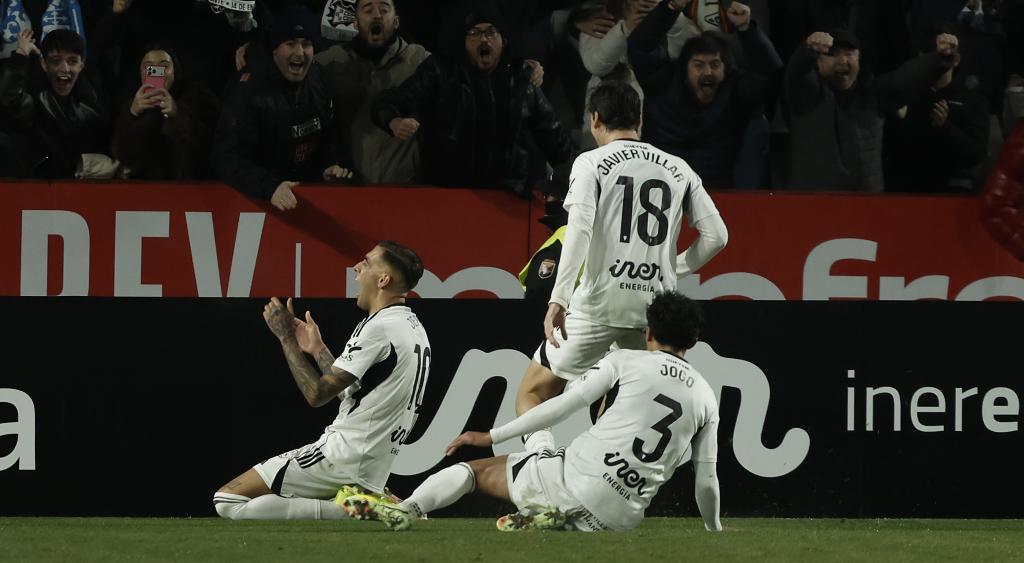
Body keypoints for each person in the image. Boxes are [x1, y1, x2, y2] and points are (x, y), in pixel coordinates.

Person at [339, 291, 722, 533]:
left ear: (649, 333)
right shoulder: (706, 397)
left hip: (574, 480)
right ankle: (553, 519)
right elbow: (706, 481)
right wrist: (715, 529)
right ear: (695, 341)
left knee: (471, 473)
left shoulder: (626, 360)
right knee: (546, 459)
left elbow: (563, 404)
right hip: (622, 518)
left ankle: (407, 510)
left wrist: (492, 436)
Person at [513, 80, 727, 455]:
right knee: (627, 408)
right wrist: (673, 267)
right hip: (652, 313)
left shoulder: (591, 162)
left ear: (595, 119)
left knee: (534, 393)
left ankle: (541, 469)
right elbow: (717, 237)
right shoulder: (679, 169)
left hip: (598, 304)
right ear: (640, 120)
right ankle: (609, 483)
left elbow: (578, 228)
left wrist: (558, 299)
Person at [213, 241, 431, 520]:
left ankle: (366, 511)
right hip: (371, 459)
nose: (357, 267)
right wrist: (318, 350)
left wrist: (285, 338)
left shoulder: (379, 327)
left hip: (343, 453)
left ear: (383, 279)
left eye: (366, 262)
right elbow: (355, 391)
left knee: (229, 499)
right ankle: (370, 502)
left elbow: (316, 394)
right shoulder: (411, 326)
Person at [371, 5, 572, 196]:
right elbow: (386, 103)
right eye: (474, 33)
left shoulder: (521, 78)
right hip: (449, 195)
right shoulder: (440, 73)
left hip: (508, 198)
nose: (484, 39)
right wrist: (393, 121)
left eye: (491, 32)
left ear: (503, 41)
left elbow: (556, 141)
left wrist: (576, 183)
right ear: (463, 41)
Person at [628, 0, 783, 189]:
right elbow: (640, 47)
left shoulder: (735, 92)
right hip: (660, 192)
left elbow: (770, 72)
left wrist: (747, 29)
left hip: (715, 196)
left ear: (726, 70)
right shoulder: (663, 84)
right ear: (685, 69)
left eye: (715, 65)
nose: (707, 72)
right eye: (699, 65)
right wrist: (669, 9)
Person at [212, 5, 353, 211]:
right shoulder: (247, 89)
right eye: (290, 44)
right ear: (275, 49)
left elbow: (329, 136)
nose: (299, 53)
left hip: (304, 202)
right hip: (255, 203)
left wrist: (329, 165)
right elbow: (225, 157)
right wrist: (269, 187)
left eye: (306, 44)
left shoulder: (319, 79)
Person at [785, 28, 958, 191]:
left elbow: (908, 76)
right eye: (832, 54)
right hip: (812, 200)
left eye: (849, 54)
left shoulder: (874, 93)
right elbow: (796, 73)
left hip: (865, 201)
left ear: (859, 59)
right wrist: (806, 51)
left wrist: (940, 59)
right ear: (818, 61)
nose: (843, 60)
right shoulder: (805, 94)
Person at [315, 0, 430, 184]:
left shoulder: (419, 60)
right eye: (368, 10)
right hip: (352, 188)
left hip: (406, 190)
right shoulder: (331, 62)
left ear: (396, 21)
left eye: (384, 9)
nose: (377, 15)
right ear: (355, 23)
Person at [883, 27, 989, 193]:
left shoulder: (973, 101)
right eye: (934, 53)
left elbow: (975, 154)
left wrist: (946, 127)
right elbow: (889, 147)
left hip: (953, 189)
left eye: (946, 53)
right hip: (906, 189)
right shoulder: (905, 94)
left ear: (956, 59)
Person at [0, 28, 109, 178]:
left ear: (81, 65)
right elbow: (9, 99)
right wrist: (21, 54)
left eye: (72, 61)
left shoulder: (92, 104)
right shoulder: (35, 100)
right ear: (44, 64)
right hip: (38, 186)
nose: (65, 69)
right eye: (55, 61)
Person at [111, 45, 220, 180]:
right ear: (140, 72)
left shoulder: (198, 97)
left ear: (174, 71)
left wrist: (177, 114)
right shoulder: (133, 102)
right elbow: (123, 155)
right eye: (149, 67)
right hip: (147, 187)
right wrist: (132, 115)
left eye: (164, 66)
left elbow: (209, 145)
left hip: (190, 186)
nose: (157, 72)